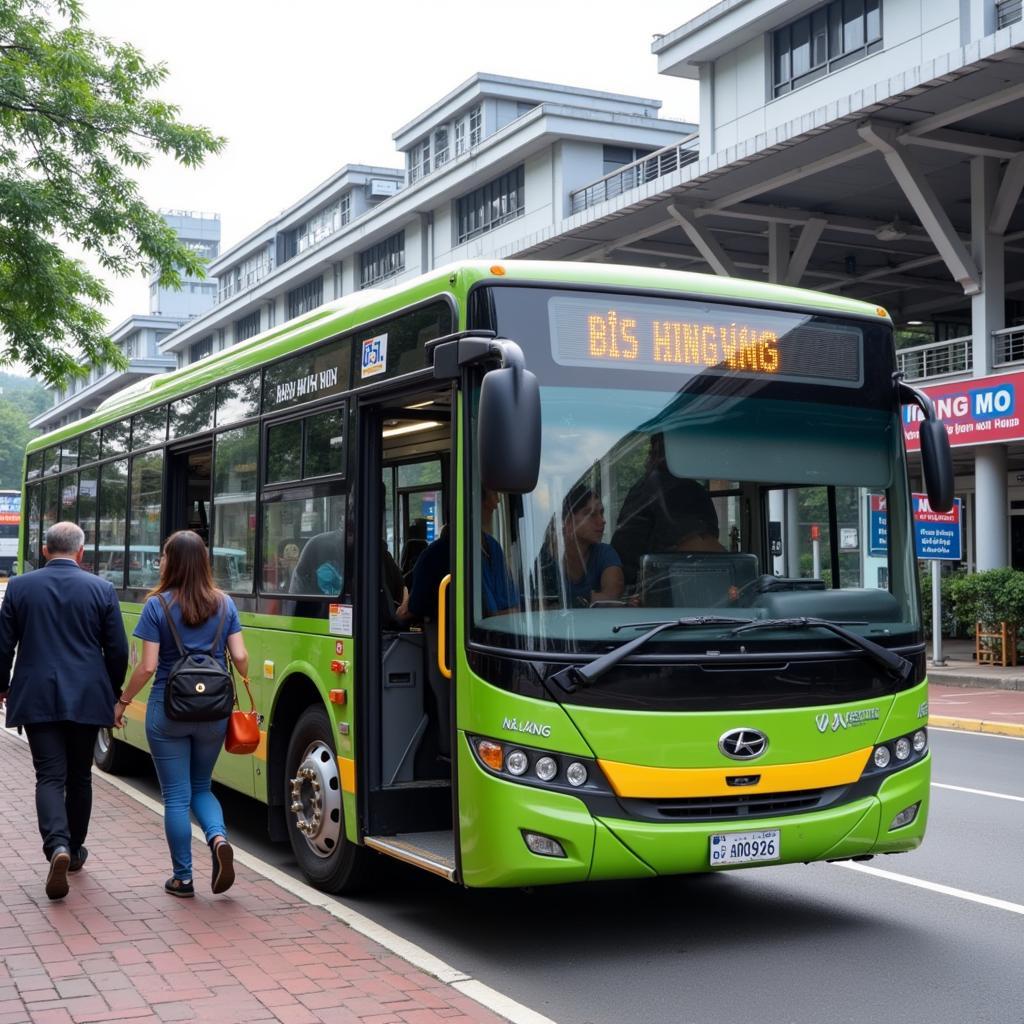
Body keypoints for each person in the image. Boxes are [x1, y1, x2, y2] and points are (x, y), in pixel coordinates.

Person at [114, 530, 249, 898]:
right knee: (202, 786)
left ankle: (183, 878)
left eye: (162, 556)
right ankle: (218, 838)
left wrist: (123, 701)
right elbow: (239, 658)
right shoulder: (225, 604)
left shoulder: (157, 605)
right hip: (214, 712)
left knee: (176, 794)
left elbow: (147, 666)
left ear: (170, 562)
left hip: (168, 709)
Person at [0, 521, 128, 901]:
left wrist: (2, 684)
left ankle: (56, 845)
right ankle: (73, 851)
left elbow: (3, 644)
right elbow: (117, 649)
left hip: (36, 695)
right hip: (88, 696)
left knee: (49, 777)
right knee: (80, 778)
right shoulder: (102, 589)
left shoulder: (20, 587)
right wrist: (112, 691)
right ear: (81, 552)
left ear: (44, 550)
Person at [611, 433, 723, 584]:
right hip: (658, 593)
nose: (647, 461)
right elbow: (701, 548)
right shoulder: (677, 487)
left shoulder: (646, 487)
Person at [538, 485, 624, 607]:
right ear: (567, 521)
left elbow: (612, 600)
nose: (602, 520)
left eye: (601, 513)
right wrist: (590, 598)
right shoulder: (545, 562)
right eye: (591, 514)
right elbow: (538, 609)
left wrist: (566, 600)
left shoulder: (605, 553)